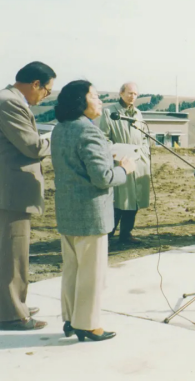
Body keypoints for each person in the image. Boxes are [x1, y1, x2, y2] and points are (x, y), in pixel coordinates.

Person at [52, 80, 136, 341]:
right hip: (91, 213)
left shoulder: (60, 128)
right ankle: (87, 325)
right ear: (81, 102)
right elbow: (103, 178)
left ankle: (70, 319)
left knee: (72, 270)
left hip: (67, 210)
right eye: (95, 96)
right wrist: (124, 169)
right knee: (92, 273)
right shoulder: (90, 131)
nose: (100, 101)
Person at [0, 61, 55, 331]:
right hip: (11, 191)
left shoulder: (10, 100)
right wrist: (56, 139)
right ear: (35, 84)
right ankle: (11, 313)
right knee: (13, 253)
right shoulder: (9, 102)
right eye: (47, 90)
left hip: (11, 190)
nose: (45, 96)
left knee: (11, 251)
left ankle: (13, 303)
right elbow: (32, 147)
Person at [98, 82, 150, 245]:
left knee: (134, 199)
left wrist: (144, 152)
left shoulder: (138, 113)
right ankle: (107, 235)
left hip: (137, 161)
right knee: (120, 200)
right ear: (121, 93)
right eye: (129, 93)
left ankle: (126, 233)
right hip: (119, 161)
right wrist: (116, 152)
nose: (132, 97)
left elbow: (143, 136)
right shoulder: (110, 112)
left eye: (135, 94)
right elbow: (104, 137)